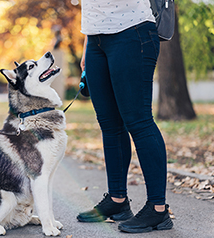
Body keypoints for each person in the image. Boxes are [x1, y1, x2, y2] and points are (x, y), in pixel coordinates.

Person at [77, 0, 173, 233]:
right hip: (95, 39)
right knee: (109, 124)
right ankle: (118, 201)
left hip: (132, 31)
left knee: (139, 121)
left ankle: (158, 209)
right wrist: (86, 45)